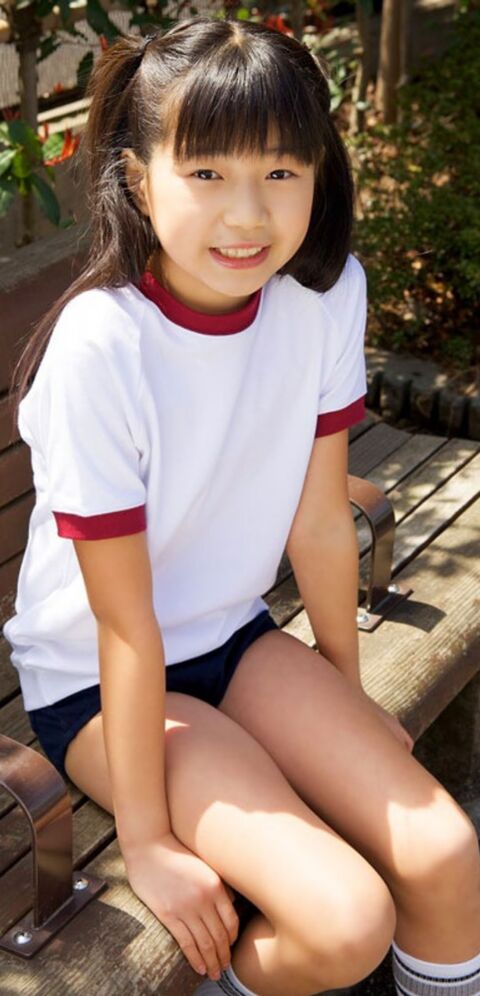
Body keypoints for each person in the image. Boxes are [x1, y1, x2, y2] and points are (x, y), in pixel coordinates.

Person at [3, 16, 480, 996]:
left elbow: (319, 519)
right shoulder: (104, 346)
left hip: (234, 638)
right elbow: (124, 623)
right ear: (140, 181)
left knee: (445, 854)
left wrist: (345, 695)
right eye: (207, 173)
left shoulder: (323, 294)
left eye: (280, 171)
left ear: (318, 173)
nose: (248, 213)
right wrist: (148, 842)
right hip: (98, 684)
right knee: (347, 920)